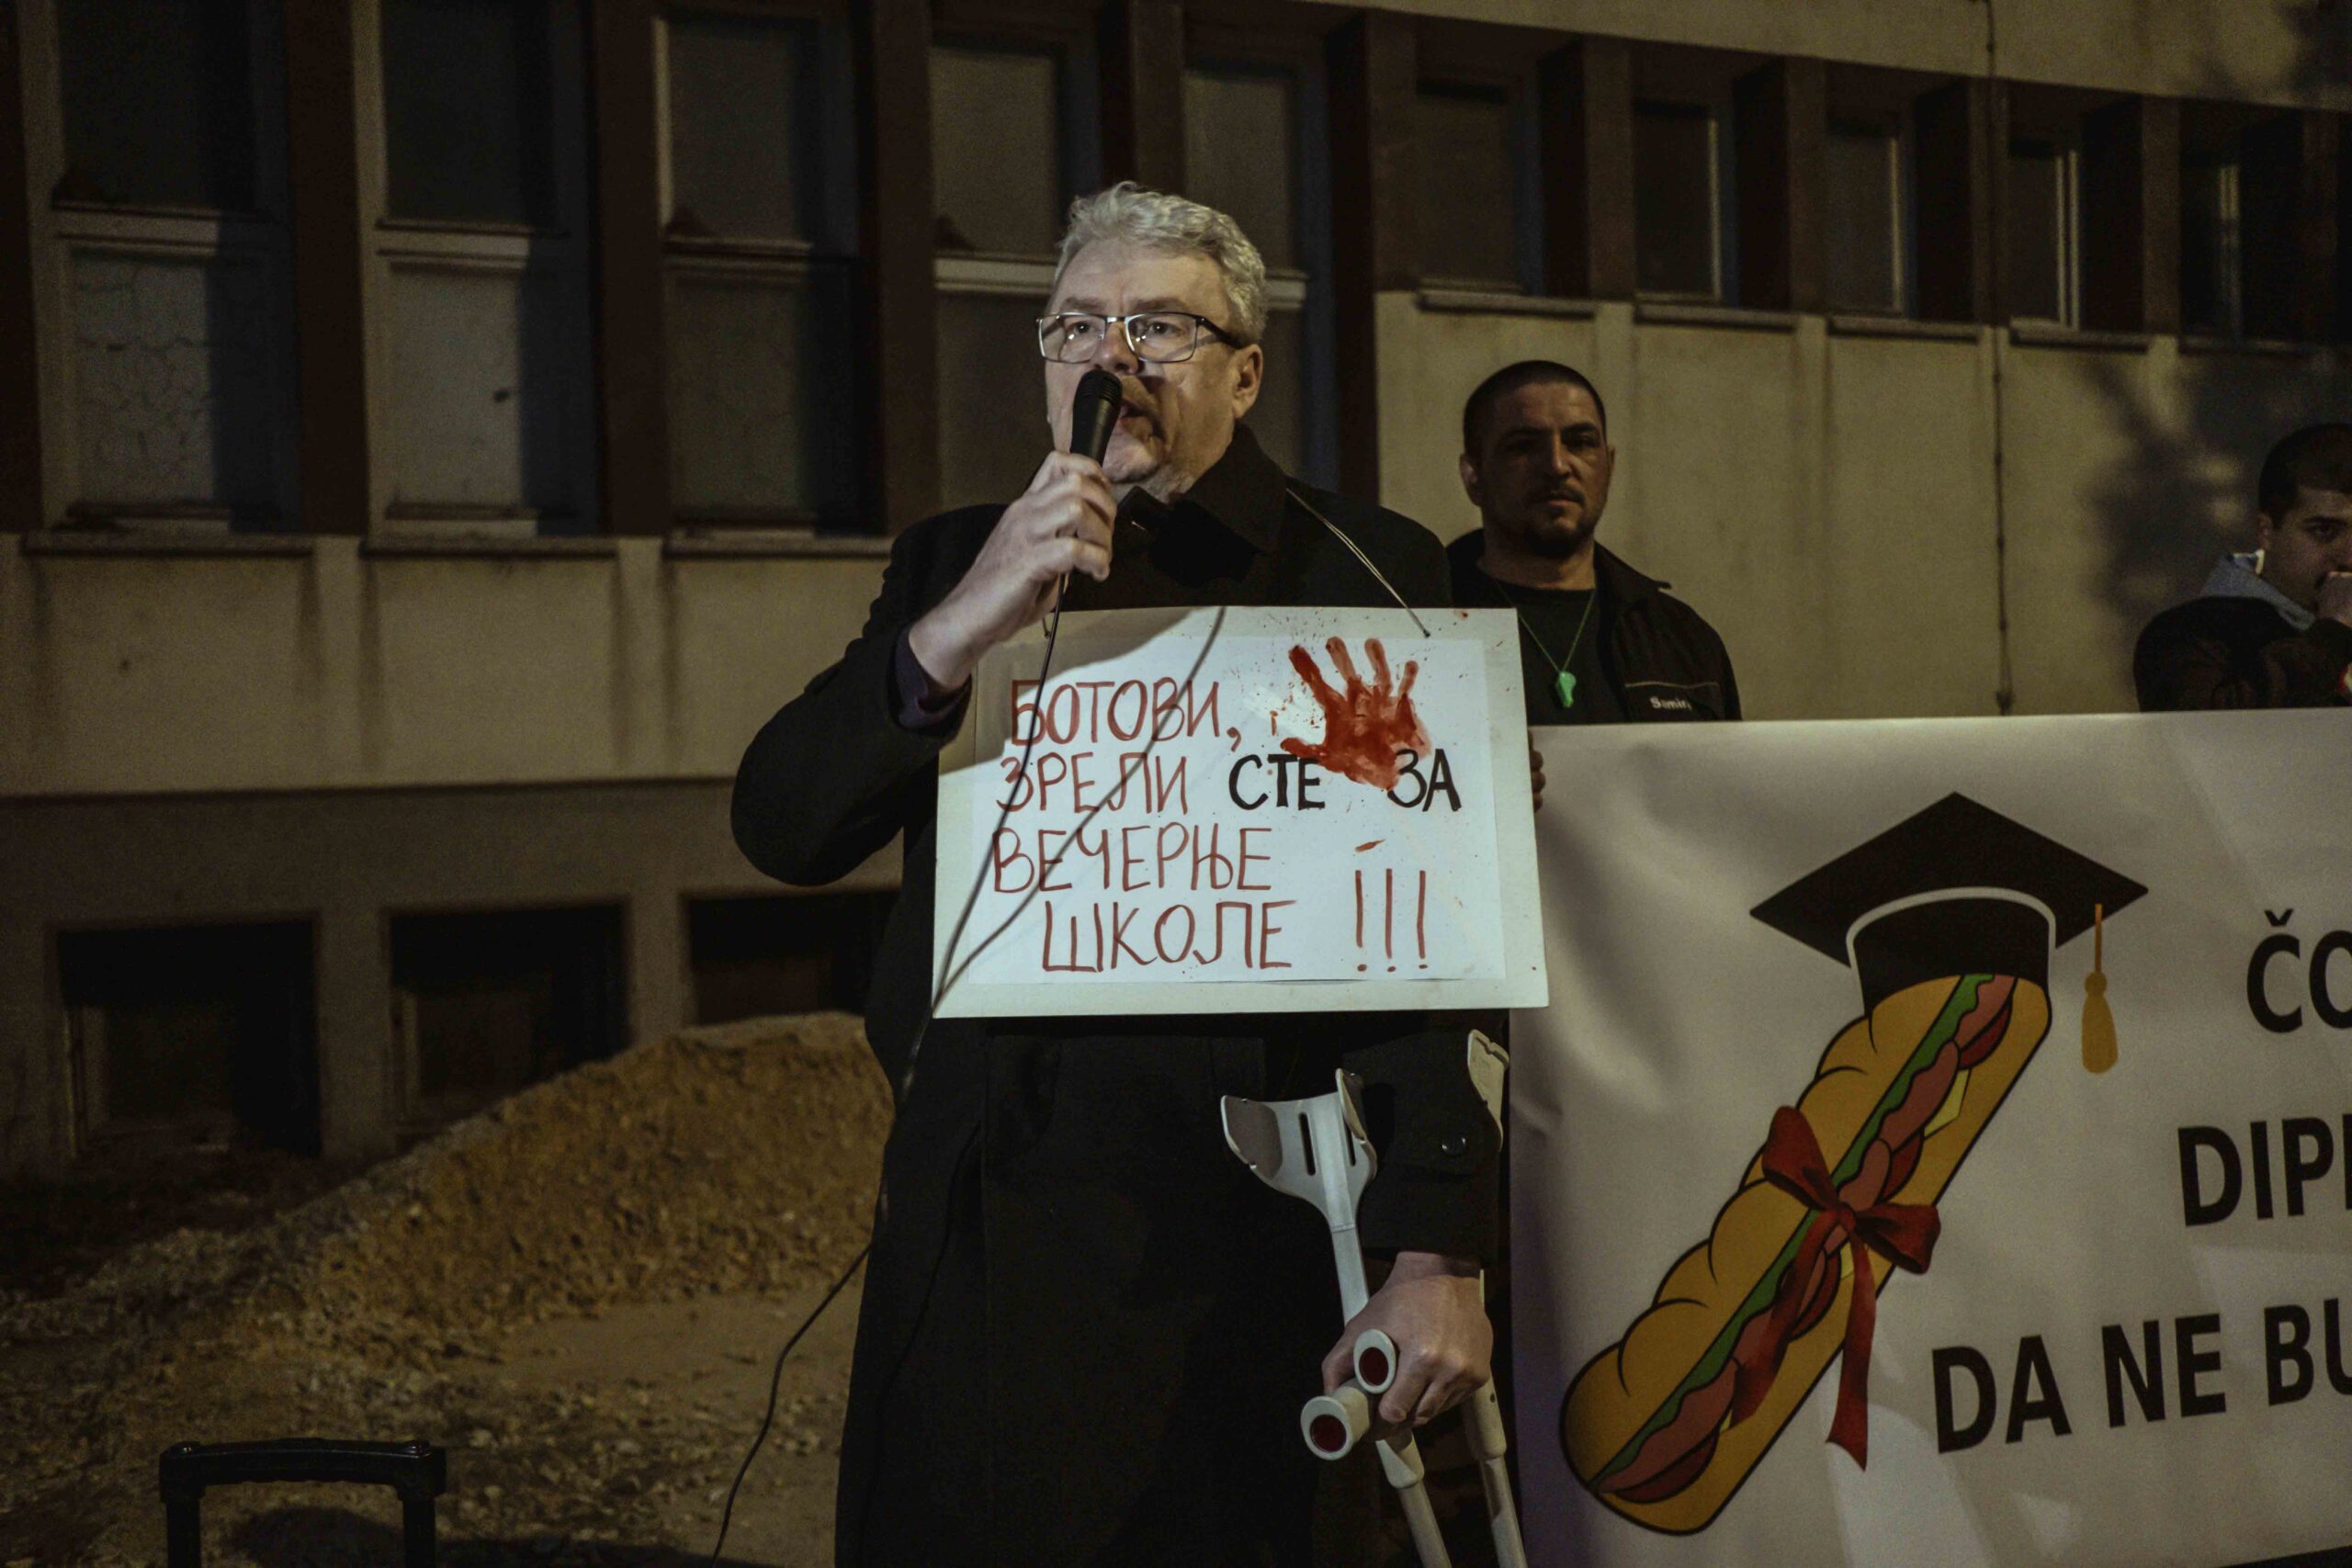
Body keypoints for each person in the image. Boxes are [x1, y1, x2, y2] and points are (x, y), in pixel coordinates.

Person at [731, 185, 1498, 1565]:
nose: (1111, 358)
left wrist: (1438, 1246)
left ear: (1244, 373)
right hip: (989, 1230)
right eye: (1076, 326)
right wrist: (957, 630)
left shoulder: (1363, 569)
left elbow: (1429, 936)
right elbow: (785, 825)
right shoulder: (954, 559)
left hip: (1248, 1239)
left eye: (1158, 325)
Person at [1447, 360, 1739, 726]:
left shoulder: (1680, 639)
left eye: (1580, 443)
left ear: (1609, 465)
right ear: (1473, 476)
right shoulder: (1419, 623)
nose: (1556, 465)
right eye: (1523, 446)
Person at [2134, 422, 2352, 710]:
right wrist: (2332, 635)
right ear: (2266, 531)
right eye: (2324, 530)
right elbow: (2214, 730)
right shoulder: (2186, 635)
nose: (2349, 557)